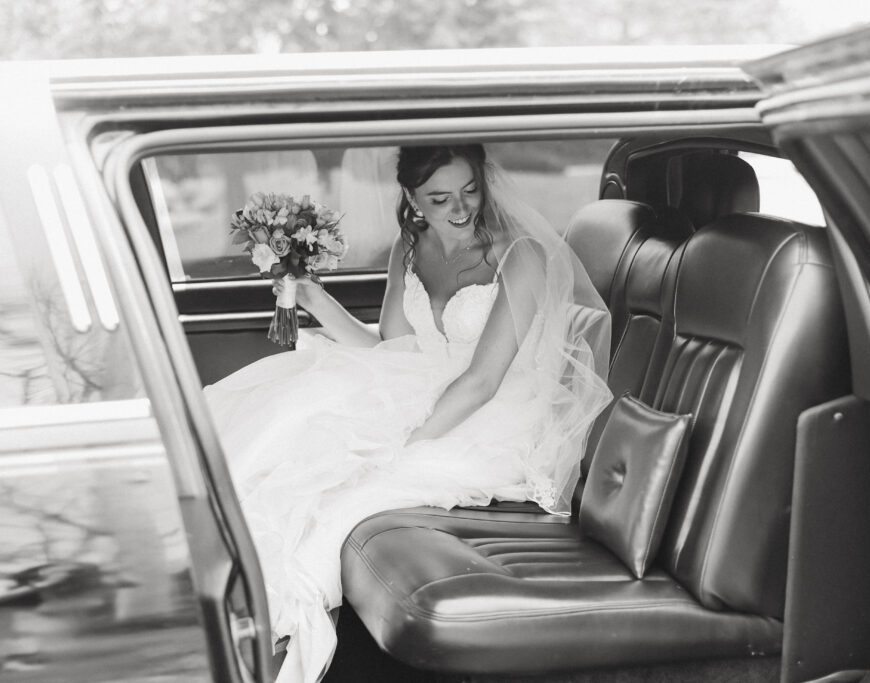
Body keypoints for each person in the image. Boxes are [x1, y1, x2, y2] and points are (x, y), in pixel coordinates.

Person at [204, 144, 612, 683]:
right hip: (422, 389)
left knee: (338, 492)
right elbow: (392, 348)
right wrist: (312, 296)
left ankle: (300, 640)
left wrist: (406, 444)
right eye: (439, 198)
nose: (460, 209)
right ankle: (244, 629)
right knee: (288, 438)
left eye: (470, 191)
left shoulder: (522, 256)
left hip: (492, 417)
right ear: (412, 198)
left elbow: (482, 382)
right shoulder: (410, 246)